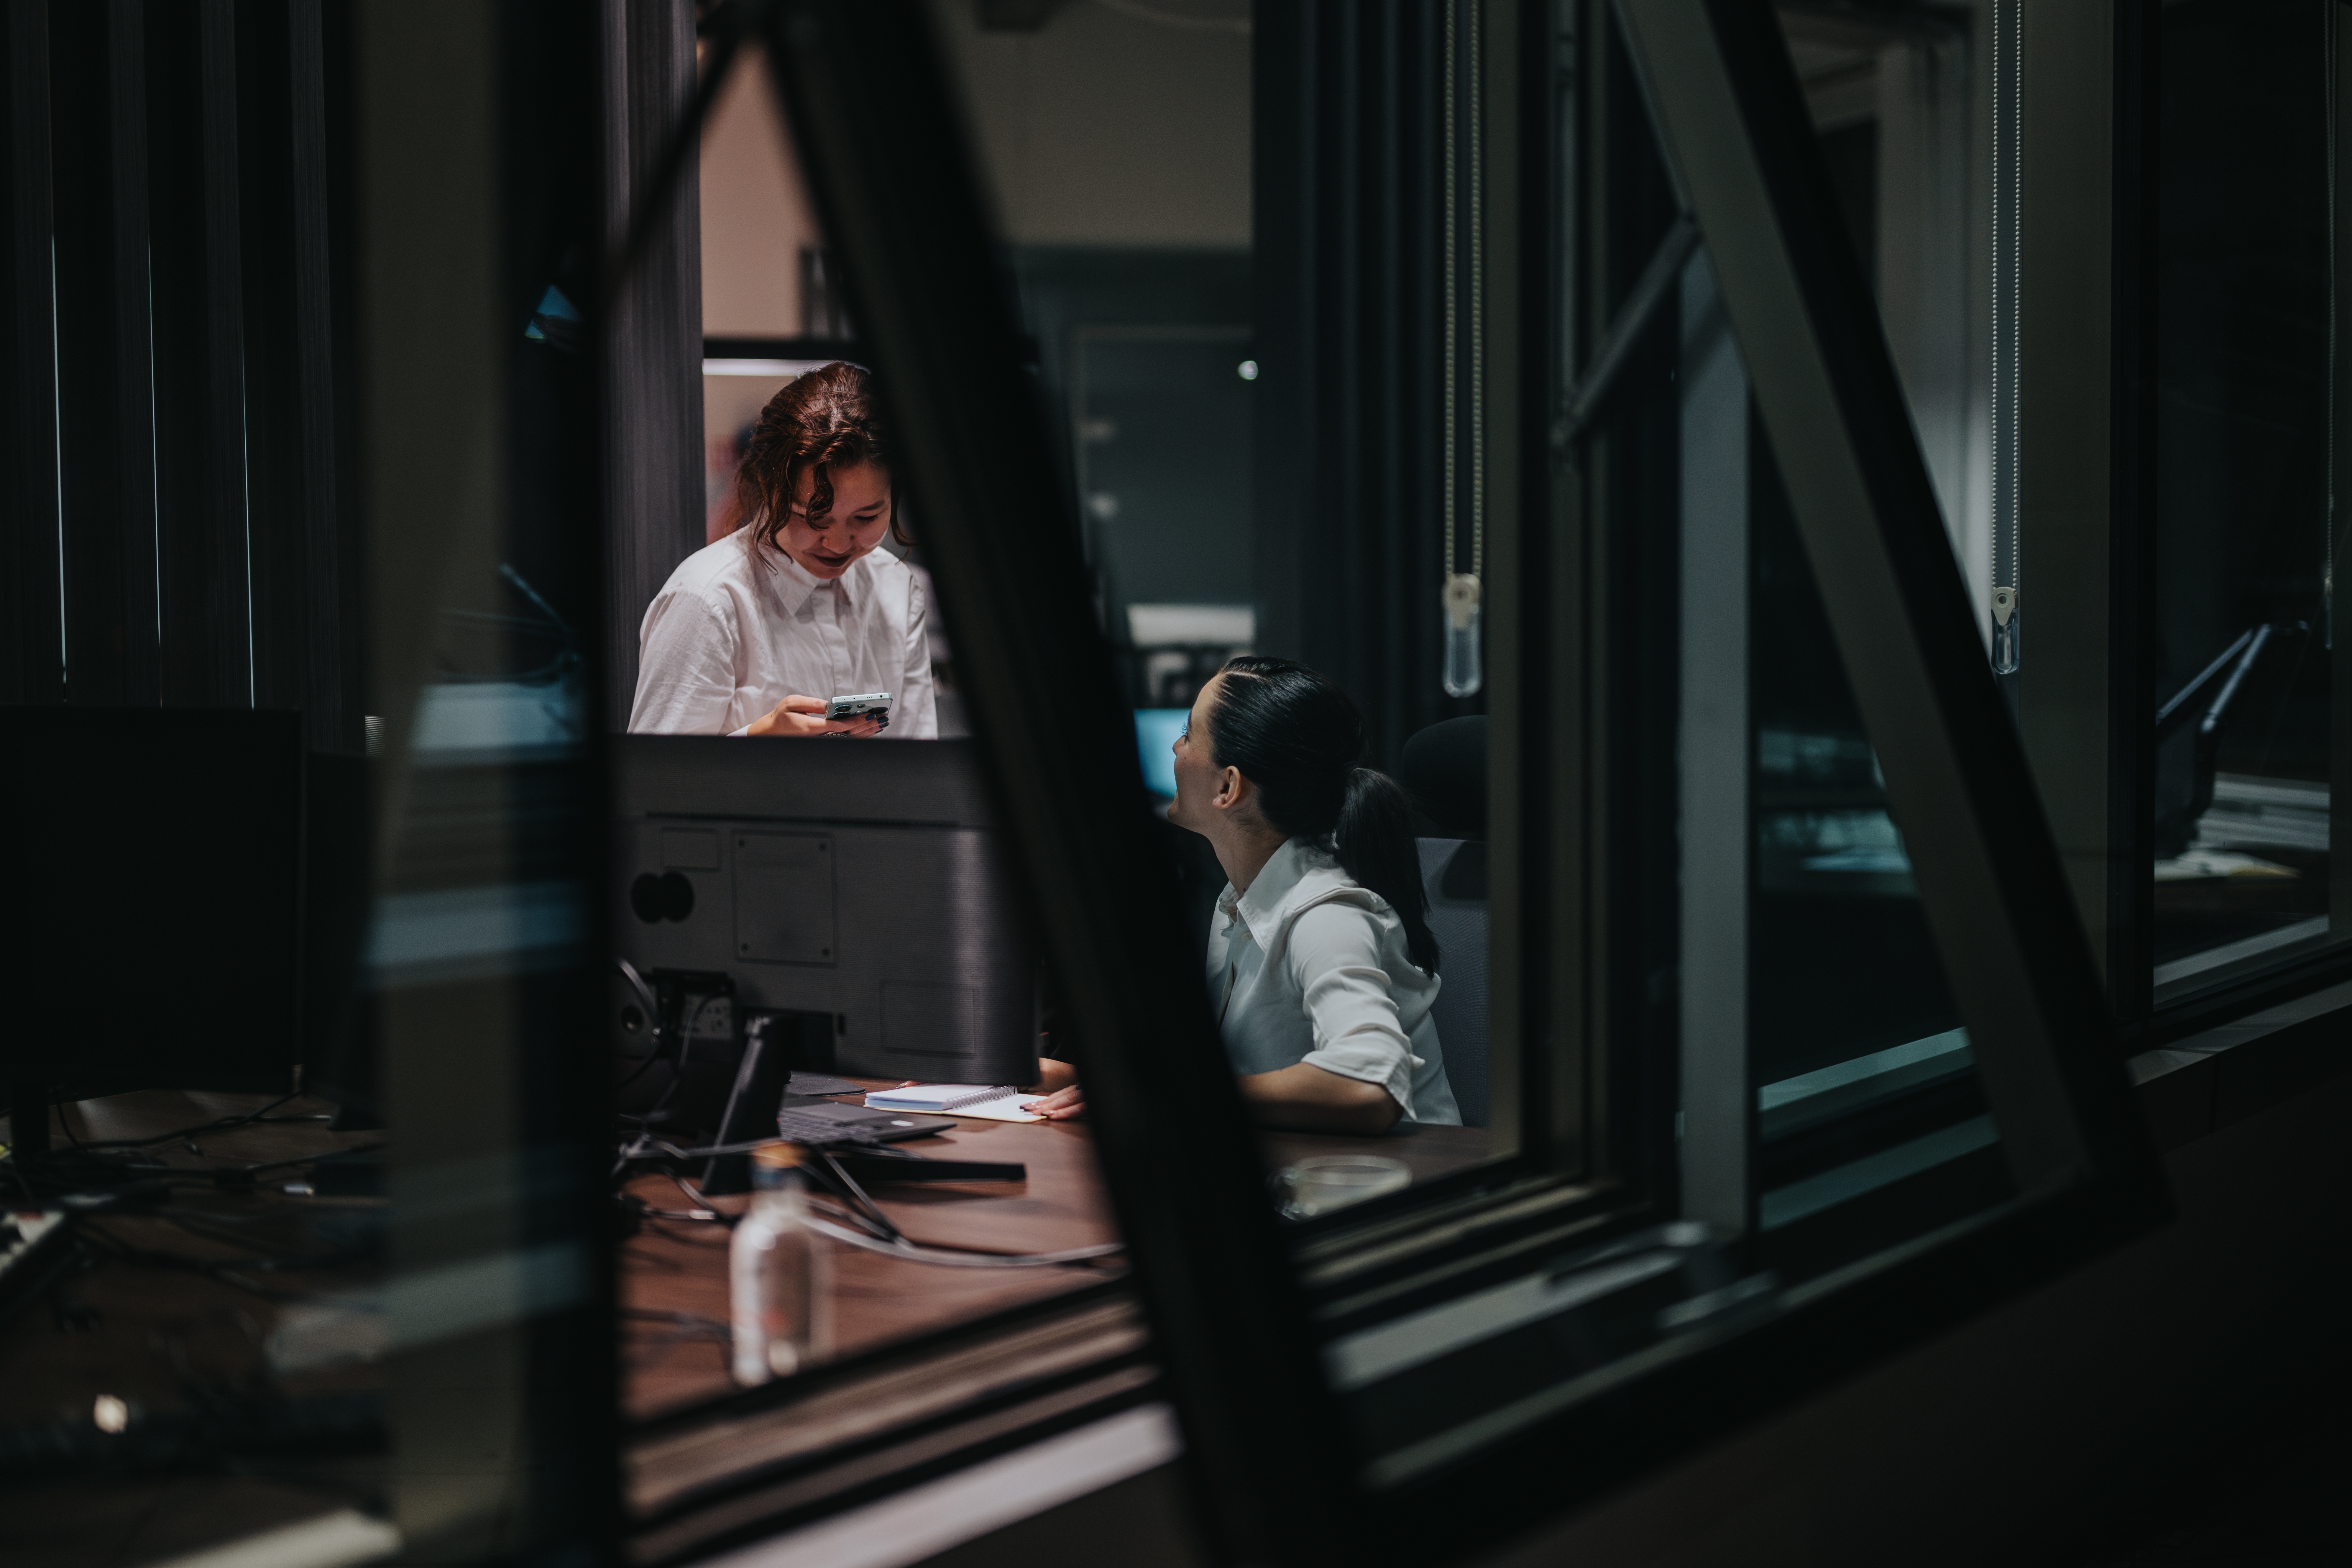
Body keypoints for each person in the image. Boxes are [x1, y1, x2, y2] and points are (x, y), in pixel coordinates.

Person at [1029, 657, 1459, 1133]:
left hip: (1401, 1186)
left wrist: (1166, 1091)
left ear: (1228, 786)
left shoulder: (1326, 914)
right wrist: (1031, 1071)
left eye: (1188, 733)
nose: (1176, 747)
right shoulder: (1238, 903)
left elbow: (1366, 1088)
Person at [628, 362, 938, 738]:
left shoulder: (897, 588)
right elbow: (656, 786)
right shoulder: (707, 601)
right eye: (813, 519)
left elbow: (919, 760)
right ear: (767, 485)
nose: (838, 545)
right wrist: (758, 741)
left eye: (866, 517)